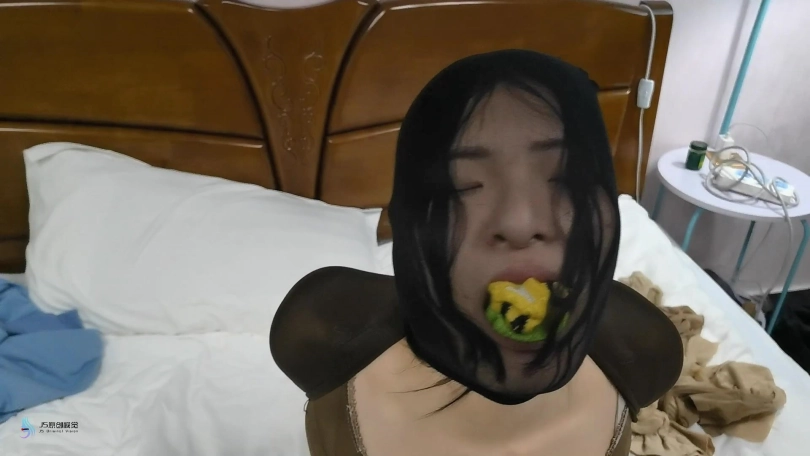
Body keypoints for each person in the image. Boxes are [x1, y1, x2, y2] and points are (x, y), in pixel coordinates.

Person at [270, 49, 683, 456]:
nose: (520, 222)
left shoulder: (641, 353)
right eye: (461, 187)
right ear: (407, 222)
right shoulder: (322, 339)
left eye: (568, 179)